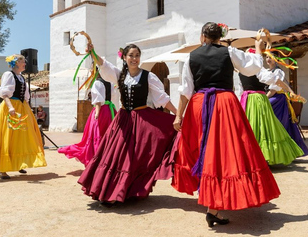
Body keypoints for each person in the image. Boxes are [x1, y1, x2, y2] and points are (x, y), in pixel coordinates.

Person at [172, 22, 281, 227]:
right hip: (224, 104)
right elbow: (252, 68)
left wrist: (179, 116)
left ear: (202, 37)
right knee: (225, 152)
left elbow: (185, 90)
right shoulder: (229, 52)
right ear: (219, 38)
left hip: (199, 105)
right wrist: (258, 48)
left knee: (205, 150)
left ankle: (212, 203)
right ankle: (213, 205)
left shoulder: (191, 57)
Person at [78, 43, 178, 205]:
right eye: (131, 55)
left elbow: (162, 98)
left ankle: (129, 190)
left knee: (135, 156)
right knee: (116, 155)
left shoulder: (148, 76)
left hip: (142, 119)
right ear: (124, 58)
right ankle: (110, 191)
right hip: (123, 120)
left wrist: (177, 115)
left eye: (137, 55)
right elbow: (104, 65)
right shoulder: (119, 75)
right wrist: (93, 52)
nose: (134, 58)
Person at [0, 54, 47, 179]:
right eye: (23, 62)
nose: (25, 64)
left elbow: (25, 96)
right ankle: (3, 169)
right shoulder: (9, 75)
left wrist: (28, 111)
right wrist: (11, 107)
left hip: (22, 108)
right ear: (17, 63)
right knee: (7, 136)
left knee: (22, 136)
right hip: (11, 108)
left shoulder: (21, 77)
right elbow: (5, 95)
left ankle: (20, 163)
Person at [238, 49, 304, 166]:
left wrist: (289, 91)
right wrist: (290, 90)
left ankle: (252, 157)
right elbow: (276, 81)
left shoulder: (243, 70)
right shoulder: (257, 69)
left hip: (248, 100)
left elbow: (240, 90)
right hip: (256, 99)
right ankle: (262, 156)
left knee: (255, 127)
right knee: (263, 128)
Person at [58, 74, 117, 166]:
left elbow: (98, 101)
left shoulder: (97, 83)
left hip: (101, 111)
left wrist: (97, 113)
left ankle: (97, 160)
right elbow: (112, 98)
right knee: (108, 136)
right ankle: (107, 159)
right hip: (110, 111)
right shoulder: (110, 83)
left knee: (97, 135)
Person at [265, 54, 308, 156]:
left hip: (277, 100)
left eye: (270, 57)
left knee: (279, 126)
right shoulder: (266, 72)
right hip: (270, 98)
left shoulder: (278, 72)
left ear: (276, 60)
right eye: (266, 57)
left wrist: (264, 99)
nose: (268, 59)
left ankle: (285, 153)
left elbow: (273, 89)